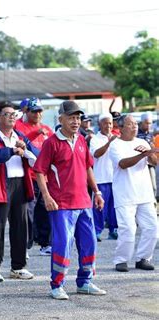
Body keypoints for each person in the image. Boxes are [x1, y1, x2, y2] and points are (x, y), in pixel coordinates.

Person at [33, 100, 106, 300]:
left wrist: (97, 192)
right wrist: (47, 197)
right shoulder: (52, 143)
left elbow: (88, 167)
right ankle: (57, 285)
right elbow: (39, 171)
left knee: (90, 243)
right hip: (61, 204)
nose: (75, 121)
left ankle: (85, 282)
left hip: (84, 202)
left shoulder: (82, 139)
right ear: (61, 119)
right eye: (71, 117)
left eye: (78, 117)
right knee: (63, 243)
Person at [0, 101, 38, 282]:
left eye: (14, 114)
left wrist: (26, 149)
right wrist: (12, 150)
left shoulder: (21, 136)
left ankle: (18, 267)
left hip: (20, 184)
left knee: (21, 227)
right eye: (7, 114)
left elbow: (37, 158)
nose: (12, 116)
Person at [109, 115, 158, 272]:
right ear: (121, 128)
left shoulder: (142, 142)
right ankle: (121, 260)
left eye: (136, 124)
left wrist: (150, 153)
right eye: (130, 124)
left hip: (144, 194)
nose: (135, 126)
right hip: (125, 194)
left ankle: (143, 258)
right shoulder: (115, 145)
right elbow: (123, 164)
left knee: (152, 228)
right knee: (128, 230)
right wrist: (142, 155)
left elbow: (154, 162)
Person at [14, 97, 54, 255]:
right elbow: (19, 144)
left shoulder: (46, 129)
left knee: (44, 211)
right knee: (27, 212)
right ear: (27, 111)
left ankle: (45, 243)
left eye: (40, 111)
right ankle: (26, 245)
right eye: (34, 111)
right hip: (26, 177)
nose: (38, 114)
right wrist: (34, 133)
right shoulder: (18, 126)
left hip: (43, 178)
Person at [89, 113, 118, 241]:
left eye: (110, 123)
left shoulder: (116, 138)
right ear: (100, 124)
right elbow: (96, 154)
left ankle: (114, 230)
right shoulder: (95, 139)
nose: (108, 126)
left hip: (115, 178)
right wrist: (108, 143)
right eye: (106, 123)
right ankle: (97, 231)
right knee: (100, 207)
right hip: (101, 178)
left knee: (114, 206)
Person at [137, 112, 156, 197]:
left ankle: (153, 203)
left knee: (154, 186)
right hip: (138, 163)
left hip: (150, 164)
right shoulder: (136, 133)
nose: (149, 125)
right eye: (147, 123)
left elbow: (152, 147)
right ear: (142, 122)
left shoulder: (150, 134)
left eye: (150, 123)